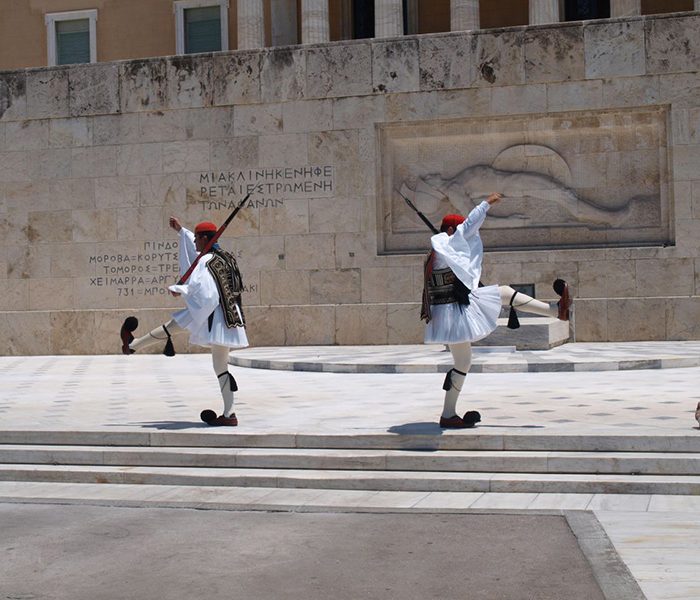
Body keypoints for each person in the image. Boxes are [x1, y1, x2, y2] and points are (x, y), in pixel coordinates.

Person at [422, 192, 571, 429]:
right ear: (451, 231)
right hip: (454, 313)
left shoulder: (439, 250)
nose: (468, 237)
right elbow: (468, 226)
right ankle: (556, 311)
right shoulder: (446, 244)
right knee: (500, 295)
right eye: (459, 231)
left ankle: (448, 414)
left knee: (464, 362)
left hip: (450, 312)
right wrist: (486, 203)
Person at [120, 217, 248, 426]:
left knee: (213, 360)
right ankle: (229, 414)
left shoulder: (206, 262)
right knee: (182, 331)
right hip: (231, 317)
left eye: (197, 238)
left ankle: (229, 414)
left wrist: (181, 290)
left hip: (214, 316)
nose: (195, 242)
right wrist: (181, 231)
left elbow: (205, 293)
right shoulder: (226, 257)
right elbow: (196, 250)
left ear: (205, 238)